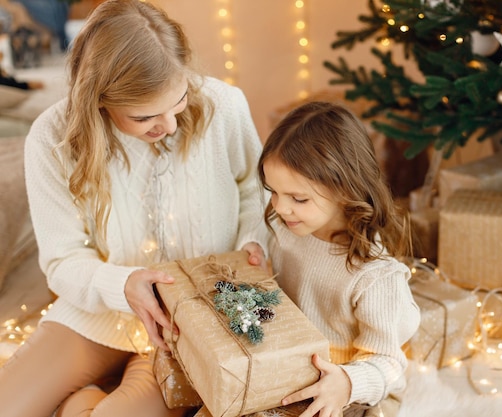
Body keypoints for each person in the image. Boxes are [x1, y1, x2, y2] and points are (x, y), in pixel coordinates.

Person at [0, 1, 268, 416]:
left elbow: (256, 191)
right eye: (145, 116)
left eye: (178, 102)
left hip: (191, 325)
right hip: (96, 314)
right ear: (100, 101)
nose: (171, 126)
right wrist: (121, 285)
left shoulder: (225, 106)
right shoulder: (51, 138)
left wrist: (253, 241)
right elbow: (62, 259)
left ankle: (84, 402)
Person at [258, 101, 421, 417]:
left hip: (349, 392)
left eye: (298, 198)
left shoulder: (374, 275)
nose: (280, 207)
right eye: (273, 191)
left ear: (345, 190)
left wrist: (348, 382)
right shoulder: (289, 229)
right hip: (289, 376)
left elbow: (389, 363)